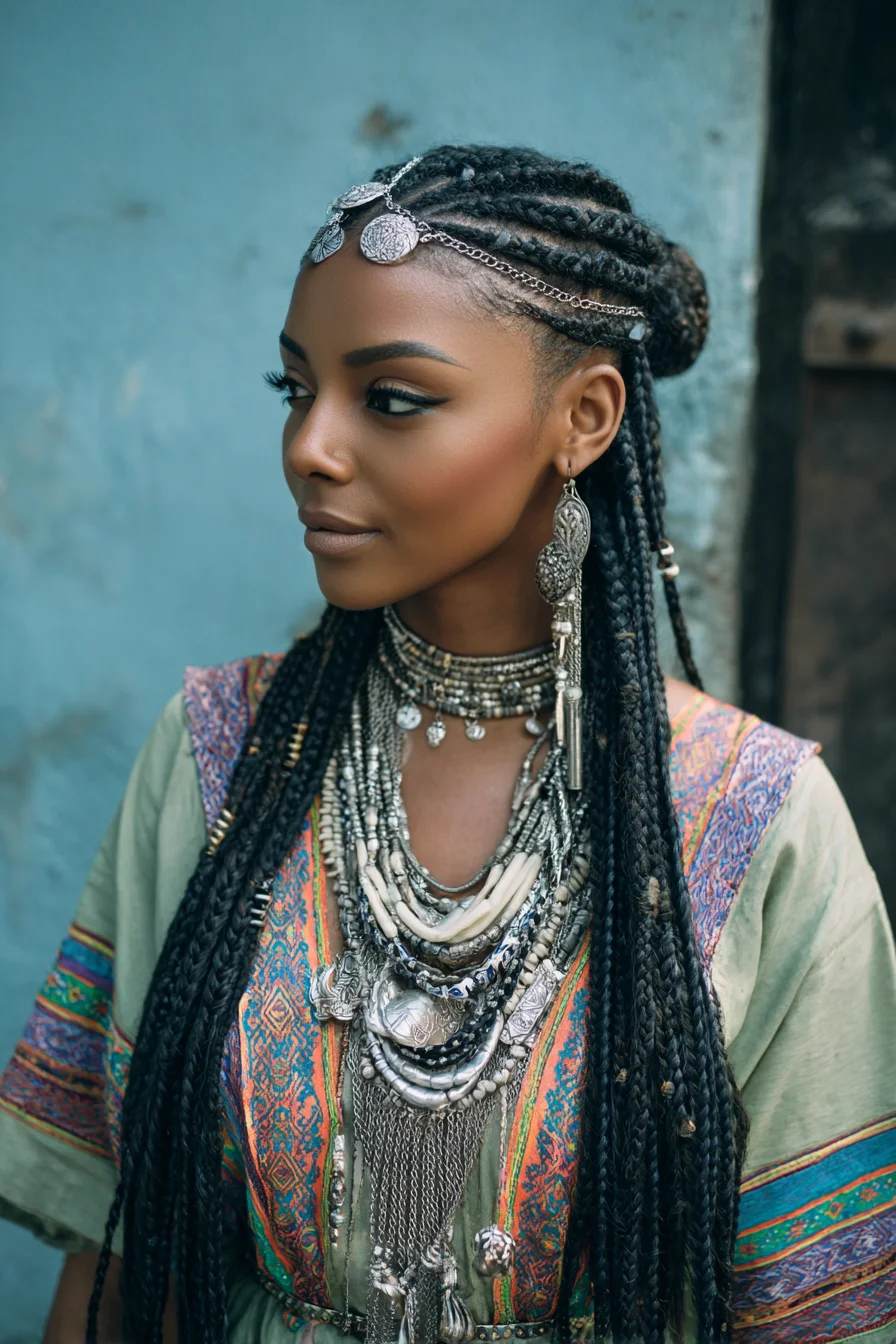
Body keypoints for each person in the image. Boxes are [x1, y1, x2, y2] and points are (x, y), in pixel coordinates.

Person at [1, 145, 894, 1344]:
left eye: (391, 397)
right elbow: (127, 1251)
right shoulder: (219, 757)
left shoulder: (753, 822)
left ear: (580, 418)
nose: (310, 446)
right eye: (293, 390)